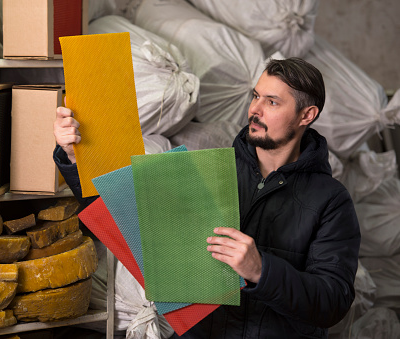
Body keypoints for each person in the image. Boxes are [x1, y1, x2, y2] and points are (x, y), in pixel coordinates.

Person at [53, 57, 361, 339]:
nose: (255, 109)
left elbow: (332, 303)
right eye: (255, 96)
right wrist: (75, 157)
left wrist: (261, 271)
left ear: (307, 115)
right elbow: (124, 220)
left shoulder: (331, 201)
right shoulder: (210, 171)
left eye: (272, 102)